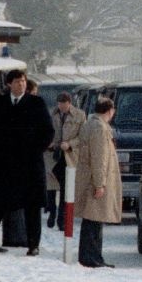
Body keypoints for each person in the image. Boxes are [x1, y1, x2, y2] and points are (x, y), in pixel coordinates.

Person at [0, 69, 54, 256]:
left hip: (30, 164)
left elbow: (48, 131)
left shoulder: (36, 103)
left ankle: (33, 245)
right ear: (9, 84)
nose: (21, 84)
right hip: (6, 165)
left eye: (23, 81)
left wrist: (36, 149)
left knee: (32, 206)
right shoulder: (1, 103)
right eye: (16, 82)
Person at [74, 97, 122, 268]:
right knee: (95, 220)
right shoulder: (100, 128)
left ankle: (90, 256)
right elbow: (99, 158)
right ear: (110, 111)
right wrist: (100, 183)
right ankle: (92, 258)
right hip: (95, 180)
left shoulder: (89, 124)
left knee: (91, 220)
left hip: (88, 178)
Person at [46, 92, 84, 228]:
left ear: (69, 103)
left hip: (69, 156)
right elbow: (45, 131)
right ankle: (51, 211)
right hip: (53, 155)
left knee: (66, 188)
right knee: (50, 187)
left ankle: (62, 219)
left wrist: (70, 144)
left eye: (64, 104)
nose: (61, 107)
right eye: (59, 104)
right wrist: (49, 143)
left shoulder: (80, 115)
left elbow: (82, 136)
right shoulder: (51, 114)